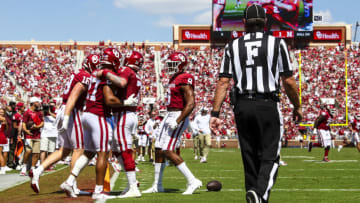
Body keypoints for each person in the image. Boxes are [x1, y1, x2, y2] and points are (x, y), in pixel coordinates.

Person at [209, 4, 302, 203]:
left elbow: (223, 81)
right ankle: (259, 194)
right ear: (265, 22)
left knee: (249, 158)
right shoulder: (277, 44)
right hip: (267, 103)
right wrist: (297, 106)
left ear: (244, 23)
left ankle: (254, 197)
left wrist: (215, 114)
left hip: (242, 106)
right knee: (270, 156)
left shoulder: (232, 46)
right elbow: (288, 80)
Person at [30, 54, 98, 194]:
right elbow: (74, 95)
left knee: (64, 150)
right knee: (78, 148)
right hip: (71, 111)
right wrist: (68, 116)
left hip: (64, 109)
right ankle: (71, 184)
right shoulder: (84, 76)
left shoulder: (78, 73)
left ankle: (38, 171)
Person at [143, 52, 202, 195]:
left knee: (168, 150)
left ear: (180, 64)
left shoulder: (184, 78)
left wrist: (178, 120)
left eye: (172, 64)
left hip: (177, 115)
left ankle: (192, 181)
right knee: (158, 149)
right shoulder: (174, 77)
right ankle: (158, 185)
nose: (170, 67)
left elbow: (190, 103)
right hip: (169, 114)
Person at [99, 50, 144, 198]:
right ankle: (131, 182)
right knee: (117, 149)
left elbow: (121, 82)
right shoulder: (136, 75)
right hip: (126, 114)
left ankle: (133, 187)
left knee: (125, 150)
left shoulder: (126, 70)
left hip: (124, 113)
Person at [20, 97, 44, 176]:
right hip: (28, 135)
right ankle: (24, 167)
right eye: (37, 102)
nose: (39, 103)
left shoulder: (39, 113)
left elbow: (42, 123)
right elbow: (23, 123)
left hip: (37, 135)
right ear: (33, 103)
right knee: (28, 151)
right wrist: (26, 131)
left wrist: (37, 127)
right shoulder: (27, 112)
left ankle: (32, 168)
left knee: (36, 153)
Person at [39, 101, 57, 168]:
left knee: (51, 151)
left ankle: (49, 165)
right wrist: (44, 110)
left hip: (53, 134)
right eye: (50, 106)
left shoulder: (56, 113)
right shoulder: (44, 113)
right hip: (44, 134)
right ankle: (42, 165)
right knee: (43, 150)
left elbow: (58, 118)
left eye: (52, 106)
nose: (51, 107)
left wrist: (50, 112)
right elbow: (40, 116)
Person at [0, 108, 9, 174]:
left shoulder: (3, 119)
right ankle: (3, 167)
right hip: (2, 136)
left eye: (2, 112)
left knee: (0, 154)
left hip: (1, 136)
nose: (1, 113)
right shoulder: (4, 120)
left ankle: (3, 168)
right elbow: (6, 128)